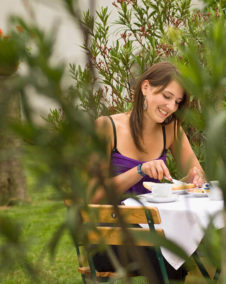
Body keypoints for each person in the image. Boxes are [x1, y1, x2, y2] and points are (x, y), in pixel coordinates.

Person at [92, 61, 205, 282]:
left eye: (177, 101)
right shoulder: (107, 127)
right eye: (166, 96)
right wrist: (140, 170)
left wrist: (192, 179)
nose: (171, 107)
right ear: (145, 88)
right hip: (110, 234)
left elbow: (195, 175)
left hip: (153, 228)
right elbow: (93, 194)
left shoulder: (170, 130)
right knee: (170, 255)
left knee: (175, 250)